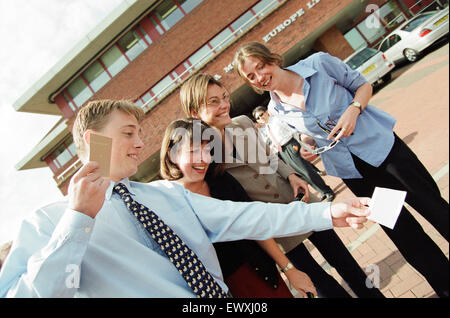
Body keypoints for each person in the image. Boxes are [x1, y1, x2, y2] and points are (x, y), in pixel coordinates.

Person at [0, 99, 370, 298]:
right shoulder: (47, 222)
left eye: (140, 133)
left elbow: (247, 217)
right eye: (129, 133)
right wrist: (78, 219)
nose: (141, 144)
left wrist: (327, 212)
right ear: (93, 140)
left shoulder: (167, 194)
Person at [233, 41, 449, 298]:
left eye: (260, 67)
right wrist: (307, 145)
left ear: (272, 59)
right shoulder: (275, 110)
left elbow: (363, 86)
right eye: (251, 76)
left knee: (435, 209)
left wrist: (353, 111)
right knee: (405, 234)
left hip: (386, 153)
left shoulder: (319, 64)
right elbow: (311, 134)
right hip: (356, 174)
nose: (260, 77)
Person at [180, 73, 385, 298]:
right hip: (275, 225)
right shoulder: (202, 157)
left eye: (224, 97)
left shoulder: (243, 123)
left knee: (347, 264)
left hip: (301, 201)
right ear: (194, 112)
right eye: (213, 101)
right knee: (318, 283)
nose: (224, 105)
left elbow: (271, 157)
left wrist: (291, 175)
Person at [160, 117, 316, 297]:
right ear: (172, 154)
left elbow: (254, 224)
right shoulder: (166, 201)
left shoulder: (222, 180)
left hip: (264, 276)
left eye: (208, 150)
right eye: (194, 151)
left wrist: (289, 269)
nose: (203, 159)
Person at [252, 105, 335, 202]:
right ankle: (321, 191)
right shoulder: (266, 128)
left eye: (261, 114)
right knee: (302, 174)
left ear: (266, 112)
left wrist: (300, 143)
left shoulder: (277, 120)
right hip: (282, 151)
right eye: (258, 118)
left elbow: (293, 130)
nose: (261, 118)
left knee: (307, 171)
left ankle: (327, 191)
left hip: (290, 145)